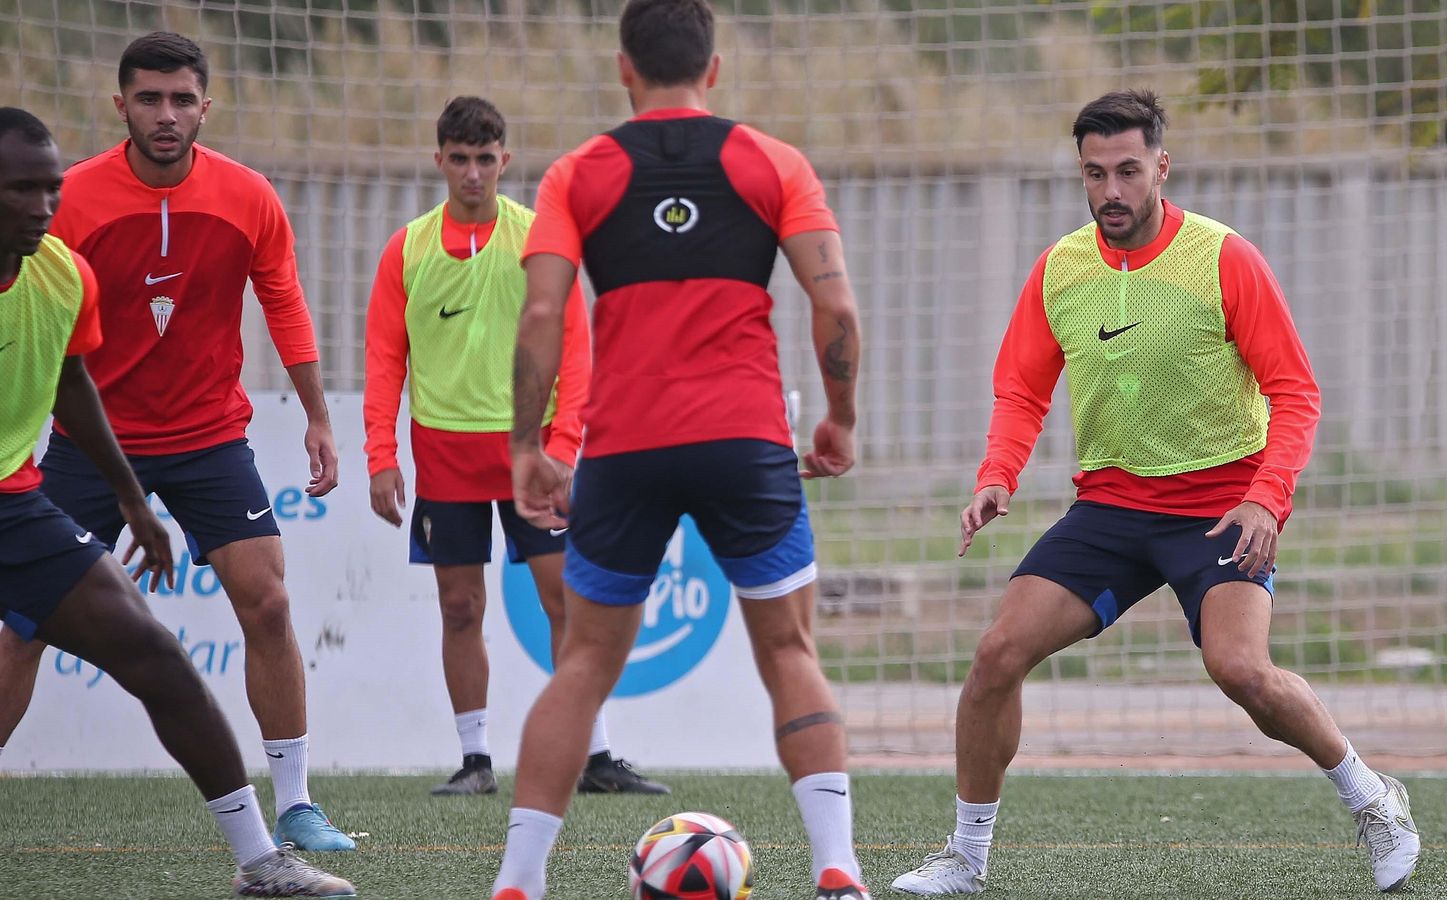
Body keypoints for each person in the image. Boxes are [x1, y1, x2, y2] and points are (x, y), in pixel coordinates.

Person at [889, 89, 1420, 896]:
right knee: (996, 656)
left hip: (1221, 506)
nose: (1111, 190)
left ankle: (1375, 800)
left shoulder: (1223, 257)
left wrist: (1267, 498)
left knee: (1240, 669)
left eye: (1128, 170)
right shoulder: (1061, 269)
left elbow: (1296, 392)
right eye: (1094, 173)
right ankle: (965, 859)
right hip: (1110, 507)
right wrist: (996, 476)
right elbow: (1020, 392)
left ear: (1160, 168)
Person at [489, 1, 870, 898]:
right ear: (716, 67)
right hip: (746, 439)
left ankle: (518, 882)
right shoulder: (773, 161)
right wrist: (840, 417)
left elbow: (544, 314)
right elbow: (838, 308)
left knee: (583, 661)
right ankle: (838, 868)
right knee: (789, 649)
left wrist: (527, 446)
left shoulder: (579, 173)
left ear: (624, 67)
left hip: (625, 447)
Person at [0, 32, 353, 852]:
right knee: (21, 628)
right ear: (119, 105)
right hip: (90, 442)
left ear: (206, 106)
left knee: (267, 601)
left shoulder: (248, 195)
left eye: (182, 99)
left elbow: (284, 300)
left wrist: (318, 415)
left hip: (208, 435)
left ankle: (296, 802)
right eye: (150, 99)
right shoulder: (69, 199)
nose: (167, 115)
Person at [362, 95, 668, 798]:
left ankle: (596, 755)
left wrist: (563, 446)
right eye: (460, 159)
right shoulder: (406, 249)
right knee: (460, 607)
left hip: (534, 457)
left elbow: (578, 353)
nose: (474, 173)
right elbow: (384, 359)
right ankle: (475, 761)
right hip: (444, 459)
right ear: (440, 161)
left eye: (486, 158)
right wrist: (381, 456)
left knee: (567, 599)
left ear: (506, 160)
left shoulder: (539, 240)